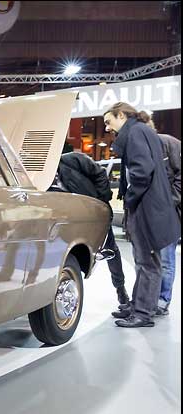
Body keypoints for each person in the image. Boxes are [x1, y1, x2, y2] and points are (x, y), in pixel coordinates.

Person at [104, 103, 180, 328]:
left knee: (148, 263)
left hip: (147, 209)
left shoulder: (136, 132)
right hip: (152, 208)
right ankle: (138, 307)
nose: (107, 127)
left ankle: (143, 313)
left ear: (121, 115)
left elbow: (141, 171)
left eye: (108, 121)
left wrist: (129, 198)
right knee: (147, 262)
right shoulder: (143, 131)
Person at [52, 144, 129, 306]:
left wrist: (100, 202)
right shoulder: (39, 179)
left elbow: (100, 174)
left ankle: (120, 289)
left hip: (93, 213)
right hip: (68, 220)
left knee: (110, 250)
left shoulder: (73, 160)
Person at [151, 124, 181, 315]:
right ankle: (149, 299)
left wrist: (170, 201)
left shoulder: (169, 143)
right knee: (148, 260)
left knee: (166, 259)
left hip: (169, 213)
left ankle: (163, 299)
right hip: (148, 213)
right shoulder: (137, 146)